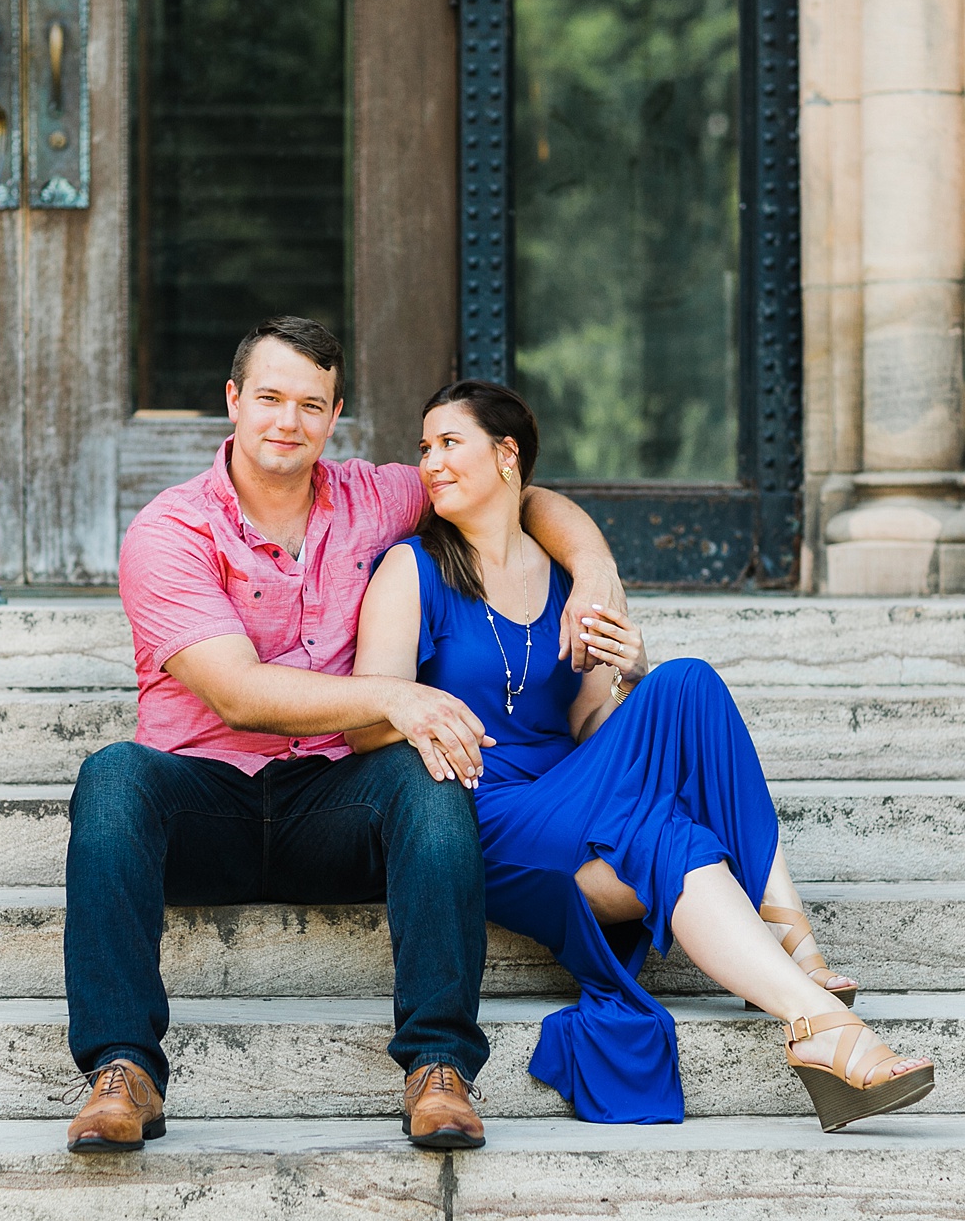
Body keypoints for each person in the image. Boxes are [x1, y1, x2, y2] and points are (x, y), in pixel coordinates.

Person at [64, 320, 627, 1153]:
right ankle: (123, 1070)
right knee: (112, 774)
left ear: (334, 417)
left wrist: (595, 569)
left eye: (311, 404)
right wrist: (395, 696)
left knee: (426, 773)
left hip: (332, 803)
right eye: (270, 398)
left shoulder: (375, 496)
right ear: (233, 401)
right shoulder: (170, 530)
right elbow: (240, 694)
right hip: (204, 802)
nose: (287, 421)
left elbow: (516, 490)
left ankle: (438, 1066)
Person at [347, 380, 935, 1130]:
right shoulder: (413, 568)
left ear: (507, 456)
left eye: (448, 443)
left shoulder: (566, 579)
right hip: (481, 810)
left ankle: (817, 1023)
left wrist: (627, 675)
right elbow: (367, 721)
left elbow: (593, 724)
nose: (429, 462)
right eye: (423, 447)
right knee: (681, 712)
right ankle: (794, 944)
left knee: (674, 743)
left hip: (571, 789)